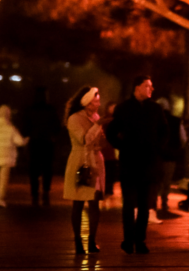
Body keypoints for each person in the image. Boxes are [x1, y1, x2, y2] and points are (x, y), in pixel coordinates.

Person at [105, 75, 168, 255]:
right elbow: (112, 131)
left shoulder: (155, 108)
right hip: (130, 163)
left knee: (144, 205)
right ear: (137, 87)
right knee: (129, 203)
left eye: (151, 85)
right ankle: (128, 240)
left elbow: (164, 131)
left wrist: (156, 147)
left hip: (149, 163)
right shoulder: (124, 108)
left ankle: (140, 240)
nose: (151, 88)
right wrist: (123, 146)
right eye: (148, 85)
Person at [63, 86, 106, 255]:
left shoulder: (95, 117)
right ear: (87, 102)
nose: (98, 103)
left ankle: (92, 240)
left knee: (95, 203)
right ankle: (78, 242)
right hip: (81, 162)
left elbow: (98, 141)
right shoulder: (74, 119)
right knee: (78, 202)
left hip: (96, 161)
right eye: (96, 100)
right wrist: (98, 125)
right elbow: (83, 140)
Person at [21, 87, 61, 206]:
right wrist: (53, 136)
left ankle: (34, 192)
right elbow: (57, 126)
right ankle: (46, 191)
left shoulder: (30, 110)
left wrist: (29, 135)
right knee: (47, 168)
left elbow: (25, 127)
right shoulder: (51, 110)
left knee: (34, 169)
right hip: (47, 142)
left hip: (34, 142)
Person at [155, 97, 185, 211]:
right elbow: (183, 138)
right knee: (167, 181)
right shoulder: (176, 121)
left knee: (156, 180)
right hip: (171, 155)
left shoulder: (153, 120)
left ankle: (153, 203)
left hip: (156, 155)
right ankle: (164, 202)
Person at [99, 102, 119, 197]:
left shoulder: (117, 119)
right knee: (106, 168)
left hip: (112, 149)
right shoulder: (105, 120)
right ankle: (106, 187)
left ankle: (109, 188)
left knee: (111, 169)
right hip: (106, 148)